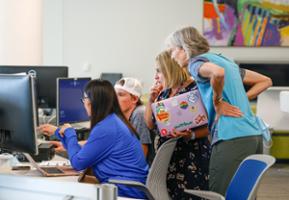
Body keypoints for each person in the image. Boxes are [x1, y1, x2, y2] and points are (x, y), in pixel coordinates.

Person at [166, 26, 272, 195]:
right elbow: (266, 81)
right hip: (253, 135)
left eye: (172, 50)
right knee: (244, 194)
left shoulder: (195, 63)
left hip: (232, 136)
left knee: (219, 195)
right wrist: (241, 101)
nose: (171, 56)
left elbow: (218, 73)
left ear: (183, 48)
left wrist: (218, 101)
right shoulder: (224, 60)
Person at [39, 79, 148, 199]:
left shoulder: (106, 128)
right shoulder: (113, 120)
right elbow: (92, 149)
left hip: (125, 193)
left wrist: (70, 133)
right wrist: (58, 132)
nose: (84, 103)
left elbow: (77, 163)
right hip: (128, 189)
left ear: (91, 103)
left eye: (84, 99)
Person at [144, 50, 211, 200]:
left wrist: (190, 135)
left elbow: (211, 125)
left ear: (169, 69)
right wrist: (150, 100)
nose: (155, 76)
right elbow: (150, 124)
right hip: (168, 160)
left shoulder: (195, 90)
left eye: (158, 71)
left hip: (190, 157)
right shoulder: (164, 93)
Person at [114, 77, 153, 162]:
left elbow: (142, 154)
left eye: (120, 95)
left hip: (142, 170)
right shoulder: (123, 117)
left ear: (134, 99)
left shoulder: (140, 113)